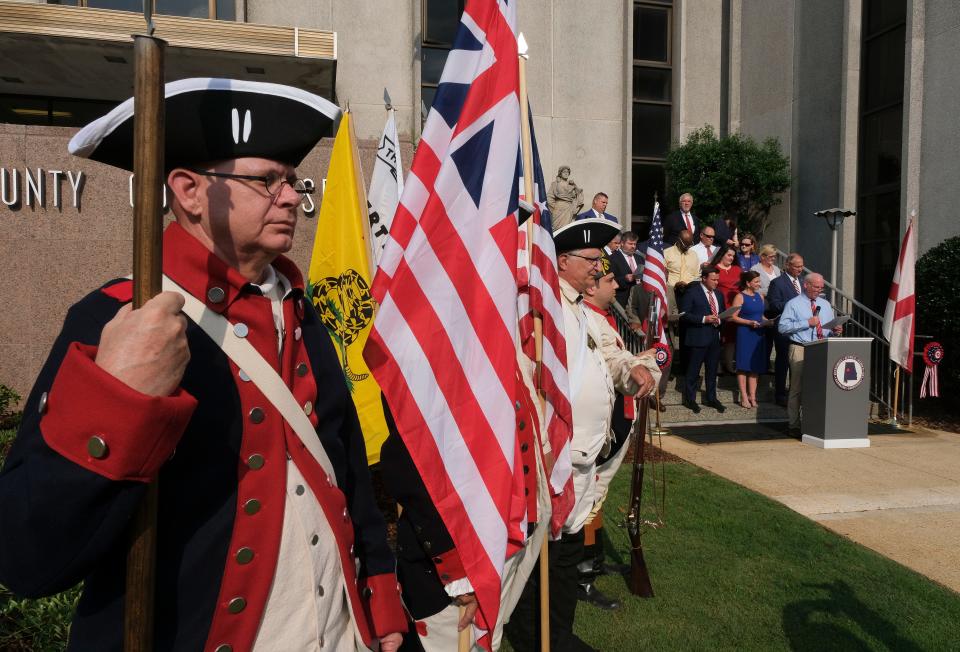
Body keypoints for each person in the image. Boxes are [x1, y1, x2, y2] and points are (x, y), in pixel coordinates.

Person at [0, 79, 406, 651]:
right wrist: (119, 398)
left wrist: (380, 602)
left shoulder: (302, 311)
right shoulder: (115, 315)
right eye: (267, 180)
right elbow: (27, 554)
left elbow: (345, 468)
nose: (292, 196)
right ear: (190, 191)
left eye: (292, 181)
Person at [505, 219, 657, 652]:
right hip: (554, 460)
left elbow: (610, 356)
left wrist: (633, 369)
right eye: (592, 260)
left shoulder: (580, 310)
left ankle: (556, 633)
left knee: (566, 557)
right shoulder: (541, 308)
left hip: (584, 460)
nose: (598, 269)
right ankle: (538, 639)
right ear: (563, 260)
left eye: (600, 261)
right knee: (540, 561)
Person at [578, 255, 660, 611]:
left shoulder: (605, 318)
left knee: (598, 495)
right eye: (608, 281)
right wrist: (646, 362)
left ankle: (591, 562)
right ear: (592, 286)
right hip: (606, 421)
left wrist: (642, 360)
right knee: (589, 496)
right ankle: (581, 575)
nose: (615, 286)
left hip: (621, 416)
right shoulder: (590, 319)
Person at [778, 273, 843, 434]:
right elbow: (782, 327)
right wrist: (806, 323)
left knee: (818, 388)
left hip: (821, 348)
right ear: (806, 285)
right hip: (800, 347)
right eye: (816, 287)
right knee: (797, 388)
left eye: (821, 287)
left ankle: (814, 422)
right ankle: (793, 424)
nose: (819, 290)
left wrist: (836, 331)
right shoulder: (793, 304)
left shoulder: (825, 304)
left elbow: (828, 328)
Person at [679, 266, 727, 414]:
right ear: (704, 278)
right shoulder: (692, 293)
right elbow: (684, 315)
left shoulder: (718, 294)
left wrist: (720, 320)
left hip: (714, 338)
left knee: (712, 371)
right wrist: (704, 319)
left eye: (717, 280)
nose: (716, 282)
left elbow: (722, 313)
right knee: (693, 371)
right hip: (697, 337)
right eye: (713, 279)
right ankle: (690, 399)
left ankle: (711, 398)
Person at [766, 253, 805, 406]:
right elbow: (774, 305)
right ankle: (780, 394)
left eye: (802, 266)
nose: (800, 269)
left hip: (801, 329)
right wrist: (794, 304)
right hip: (784, 328)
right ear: (788, 265)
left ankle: (795, 393)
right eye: (797, 266)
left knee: (798, 362)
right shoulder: (777, 283)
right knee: (783, 361)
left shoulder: (803, 282)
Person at [730, 271, 768, 408]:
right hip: (745, 333)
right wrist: (748, 322)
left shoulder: (760, 297)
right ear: (748, 283)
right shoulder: (740, 296)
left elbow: (761, 316)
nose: (759, 284)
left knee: (755, 367)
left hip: (758, 333)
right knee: (743, 366)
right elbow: (733, 316)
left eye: (759, 281)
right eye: (756, 281)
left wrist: (769, 322)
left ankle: (753, 396)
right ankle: (744, 397)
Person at [711, 246, 742, 374]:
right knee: (718, 338)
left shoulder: (737, 269)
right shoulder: (715, 269)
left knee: (730, 339)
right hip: (719, 305)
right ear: (722, 254)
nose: (731, 258)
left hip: (735, 308)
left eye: (733, 256)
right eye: (729, 255)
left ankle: (729, 365)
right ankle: (717, 365)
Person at [609, 230, 642, 306]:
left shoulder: (640, 258)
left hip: (638, 300)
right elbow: (609, 280)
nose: (633, 246)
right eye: (630, 244)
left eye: (634, 244)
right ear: (622, 243)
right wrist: (625, 279)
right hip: (622, 299)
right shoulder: (612, 258)